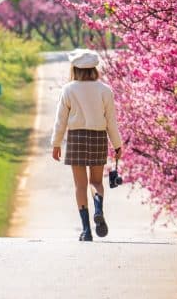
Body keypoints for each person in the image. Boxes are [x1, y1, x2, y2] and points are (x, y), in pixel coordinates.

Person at [51, 49, 123, 241]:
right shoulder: (105, 90)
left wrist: (56, 143)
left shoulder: (68, 89)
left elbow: (61, 120)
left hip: (76, 138)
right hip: (98, 137)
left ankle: (86, 230)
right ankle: (98, 208)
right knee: (96, 182)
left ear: (75, 68)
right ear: (94, 68)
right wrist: (117, 145)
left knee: (80, 186)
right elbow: (111, 122)